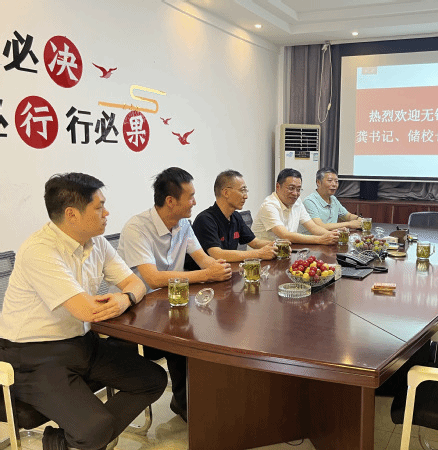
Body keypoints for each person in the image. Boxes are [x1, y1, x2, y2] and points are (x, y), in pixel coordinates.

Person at [0, 173, 167, 450]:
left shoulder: (95, 241)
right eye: (99, 207)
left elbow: (136, 283)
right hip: (34, 356)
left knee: (153, 379)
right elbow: (87, 311)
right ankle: (79, 438)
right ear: (72, 214)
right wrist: (124, 297)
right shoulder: (40, 250)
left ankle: (67, 441)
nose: (107, 213)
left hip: (83, 343)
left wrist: (125, 298)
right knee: (94, 429)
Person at [118, 167, 232, 422]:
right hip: (137, 312)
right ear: (170, 200)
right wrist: (206, 274)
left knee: (210, 323)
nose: (195, 202)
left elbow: (202, 259)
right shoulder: (137, 228)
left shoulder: (184, 225)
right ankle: (185, 402)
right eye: (190, 197)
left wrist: (218, 268)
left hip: (171, 303)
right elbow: (153, 278)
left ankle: (199, 395)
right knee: (184, 331)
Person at [185, 170, 276, 266]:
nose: (246, 196)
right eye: (242, 190)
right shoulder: (205, 219)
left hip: (228, 270)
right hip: (204, 273)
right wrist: (258, 254)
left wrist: (278, 245)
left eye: (246, 191)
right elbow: (217, 254)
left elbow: (255, 243)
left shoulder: (236, 216)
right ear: (226, 193)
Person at [252, 168, 339, 245]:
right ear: (278, 186)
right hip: (263, 255)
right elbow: (284, 235)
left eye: (298, 189)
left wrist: (331, 235)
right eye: (291, 188)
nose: (295, 193)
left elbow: (313, 227)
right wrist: (320, 239)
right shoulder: (269, 206)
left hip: (286, 251)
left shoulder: (297, 202)